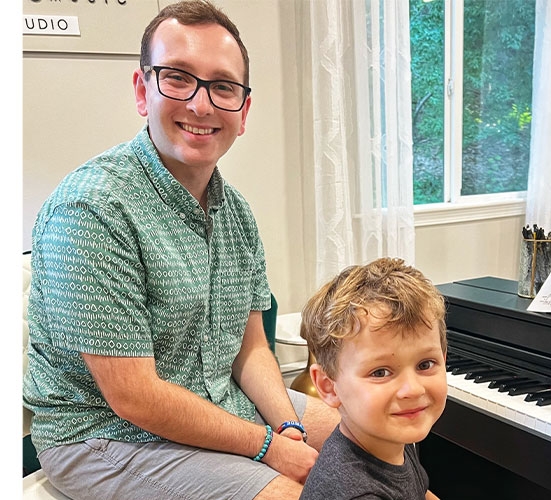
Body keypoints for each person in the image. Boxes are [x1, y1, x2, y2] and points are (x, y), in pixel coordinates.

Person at [22, 1, 339, 499]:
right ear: (141, 90)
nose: (201, 104)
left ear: (244, 109)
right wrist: (270, 448)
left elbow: (250, 347)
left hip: (218, 401)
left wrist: (288, 427)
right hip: (105, 435)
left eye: (223, 86)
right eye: (178, 77)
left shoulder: (235, 211)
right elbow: (134, 397)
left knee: (369, 443)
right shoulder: (91, 209)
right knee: (296, 494)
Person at [299, 257, 447, 500]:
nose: (412, 389)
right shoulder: (356, 491)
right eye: (380, 372)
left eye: (425, 364)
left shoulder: (392, 437)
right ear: (329, 386)